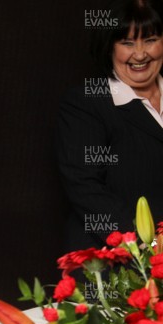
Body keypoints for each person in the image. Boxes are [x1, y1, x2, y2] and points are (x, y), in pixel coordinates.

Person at [56, 0, 163, 251]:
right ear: (109, 47)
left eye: (150, 40)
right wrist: (150, 245)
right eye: (127, 43)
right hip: (118, 262)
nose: (139, 54)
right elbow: (86, 189)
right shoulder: (85, 104)